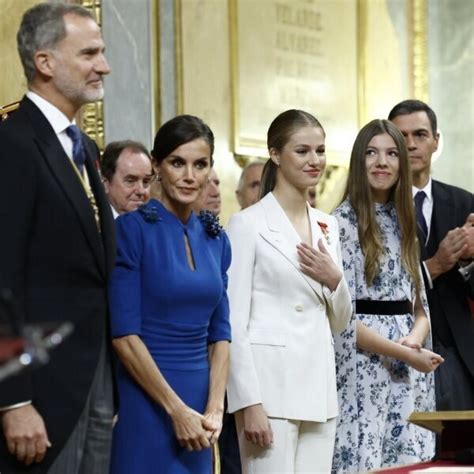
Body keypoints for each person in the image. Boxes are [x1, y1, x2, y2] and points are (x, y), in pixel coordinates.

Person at [0, 3, 115, 473]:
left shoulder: (82, 146)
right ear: (45, 62)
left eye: (103, 51)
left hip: (93, 379)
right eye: (89, 53)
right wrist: (13, 400)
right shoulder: (14, 144)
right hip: (40, 391)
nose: (104, 65)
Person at [226, 109, 352, 473]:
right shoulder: (247, 224)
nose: (315, 161)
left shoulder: (328, 225)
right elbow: (234, 322)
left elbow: (340, 322)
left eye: (320, 150)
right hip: (270, 392)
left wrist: (335, 280)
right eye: (302, 151)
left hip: (320, 389)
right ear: (275, 154)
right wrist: (248, 403)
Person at [108, 115, 231, 473]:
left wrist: (215, 408)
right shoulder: (130, 231)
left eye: (200, 164)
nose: (190, 175)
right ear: (158, 166)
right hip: (146, 402)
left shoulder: (215, 238)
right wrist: (175, 410)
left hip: (202, 409)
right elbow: (124, 336)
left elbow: (221, 332)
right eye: (178, 163)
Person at [331, 119, 444, 473]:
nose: (382, 162)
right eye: (372, 152)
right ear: (358, 160)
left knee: (410, 461)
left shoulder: (405, 223)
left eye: (392, 153)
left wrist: (413, 342)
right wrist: (403, 353)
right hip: (364, 364)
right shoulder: (340, 223)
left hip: (409, 366)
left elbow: (421, 309)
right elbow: (343, 319)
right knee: (365, 459)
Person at [389, 100, 474, 410]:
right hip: (398, 348)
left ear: (436, 140)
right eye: (402, 136)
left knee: (460, 455)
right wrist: (434, 265)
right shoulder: (375, 208)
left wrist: (467, 262)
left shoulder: (465, 202)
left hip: (459, 353)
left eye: (420, 134)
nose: (411, 144)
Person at [101, 140, 154, 218]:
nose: (141, 191)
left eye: (145, 182)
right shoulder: (93, 225)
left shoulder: (156, 225)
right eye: (130, 181)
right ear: (106, 184)